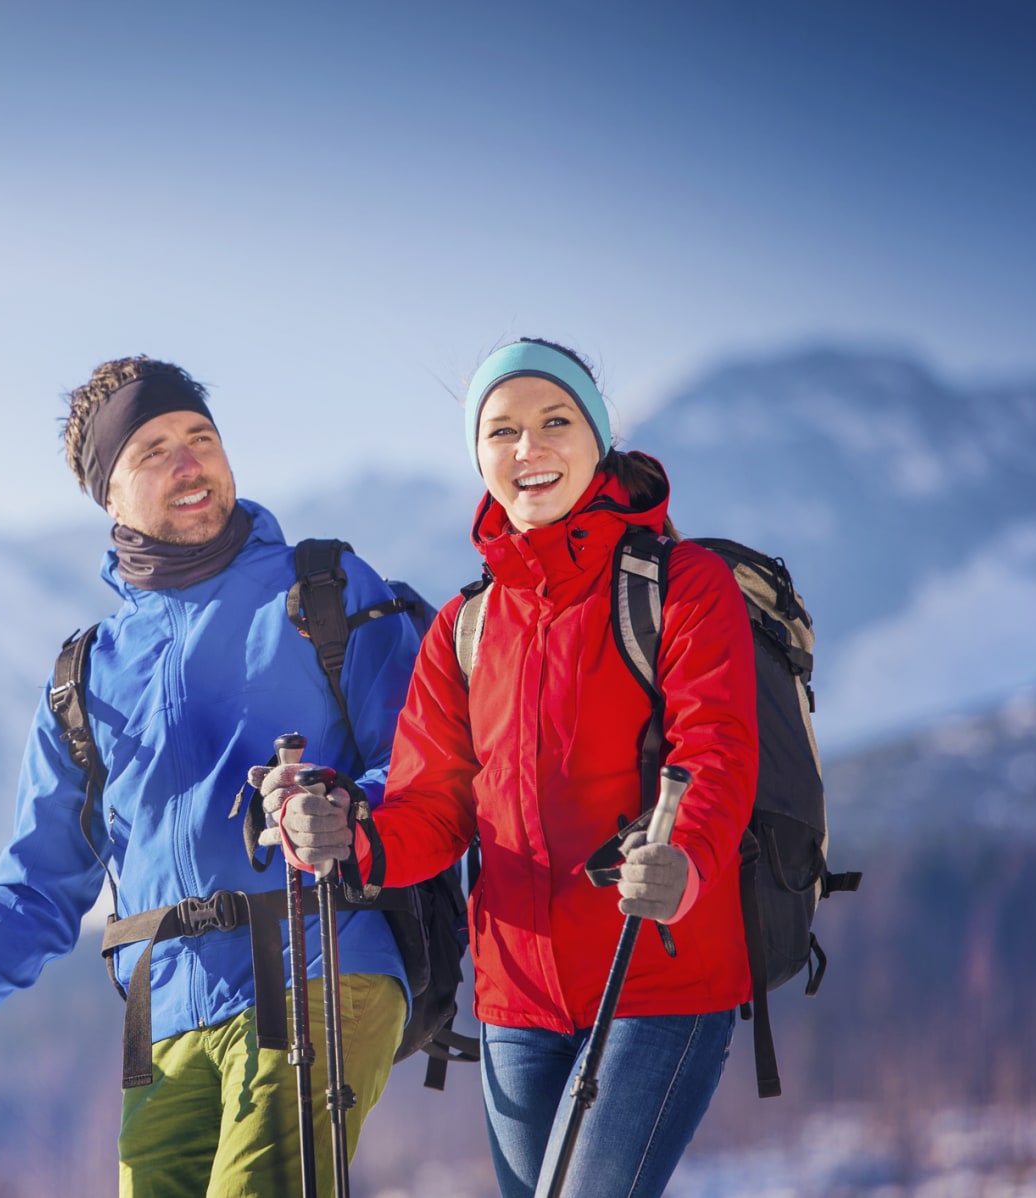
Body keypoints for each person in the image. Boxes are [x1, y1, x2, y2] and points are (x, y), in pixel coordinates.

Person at [0, 356, 422, 1196]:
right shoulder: (85, 679)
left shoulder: (325, 591)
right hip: (163, 1027)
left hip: (322, 963)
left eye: (201, 437)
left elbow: (423, 763)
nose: (190, 462)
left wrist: (347, 809)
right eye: (154, 449)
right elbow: (35, 897)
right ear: (109, 497)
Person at [264, 338, 758, 1197]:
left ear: (597, 439)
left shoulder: (682, 586)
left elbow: (715, 752)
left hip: (658, 974)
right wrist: (347, 834)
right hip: (515, 1001)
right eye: (502, 432)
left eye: (554, 422)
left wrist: (686, 861)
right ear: (479, 457)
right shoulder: (466, 625)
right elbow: (432, 808)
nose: (528, 450)